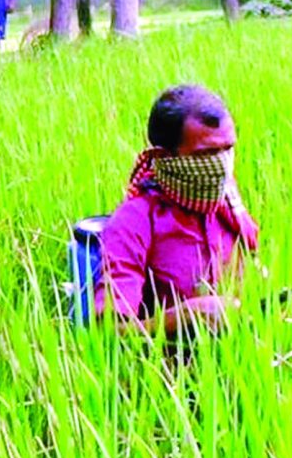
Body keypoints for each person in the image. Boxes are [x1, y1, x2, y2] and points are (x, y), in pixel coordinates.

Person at [95, 85, 264, 337]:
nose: (221, 165)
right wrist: (186, 315)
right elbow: (107, 331)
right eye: (206, 154)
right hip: (167, 366)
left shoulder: (228, 204)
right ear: (165, 157)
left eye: (227, 149)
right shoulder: (133, 222)